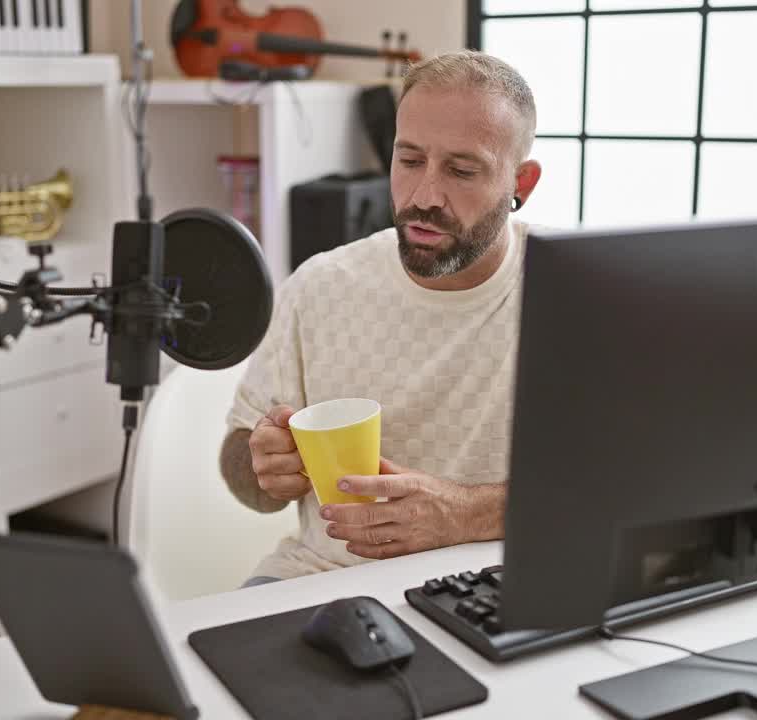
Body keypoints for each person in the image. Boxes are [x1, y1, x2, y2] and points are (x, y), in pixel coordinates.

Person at [220, 50, 543, 584]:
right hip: (323, 575)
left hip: (496, 582)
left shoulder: (565, 292)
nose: (424, 196)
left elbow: (625, 485)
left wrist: (464, 513)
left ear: (521, 185)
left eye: (462, 170)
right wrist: (263, 465)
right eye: (409, 160)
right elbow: (241, 472)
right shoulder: (322, 285)